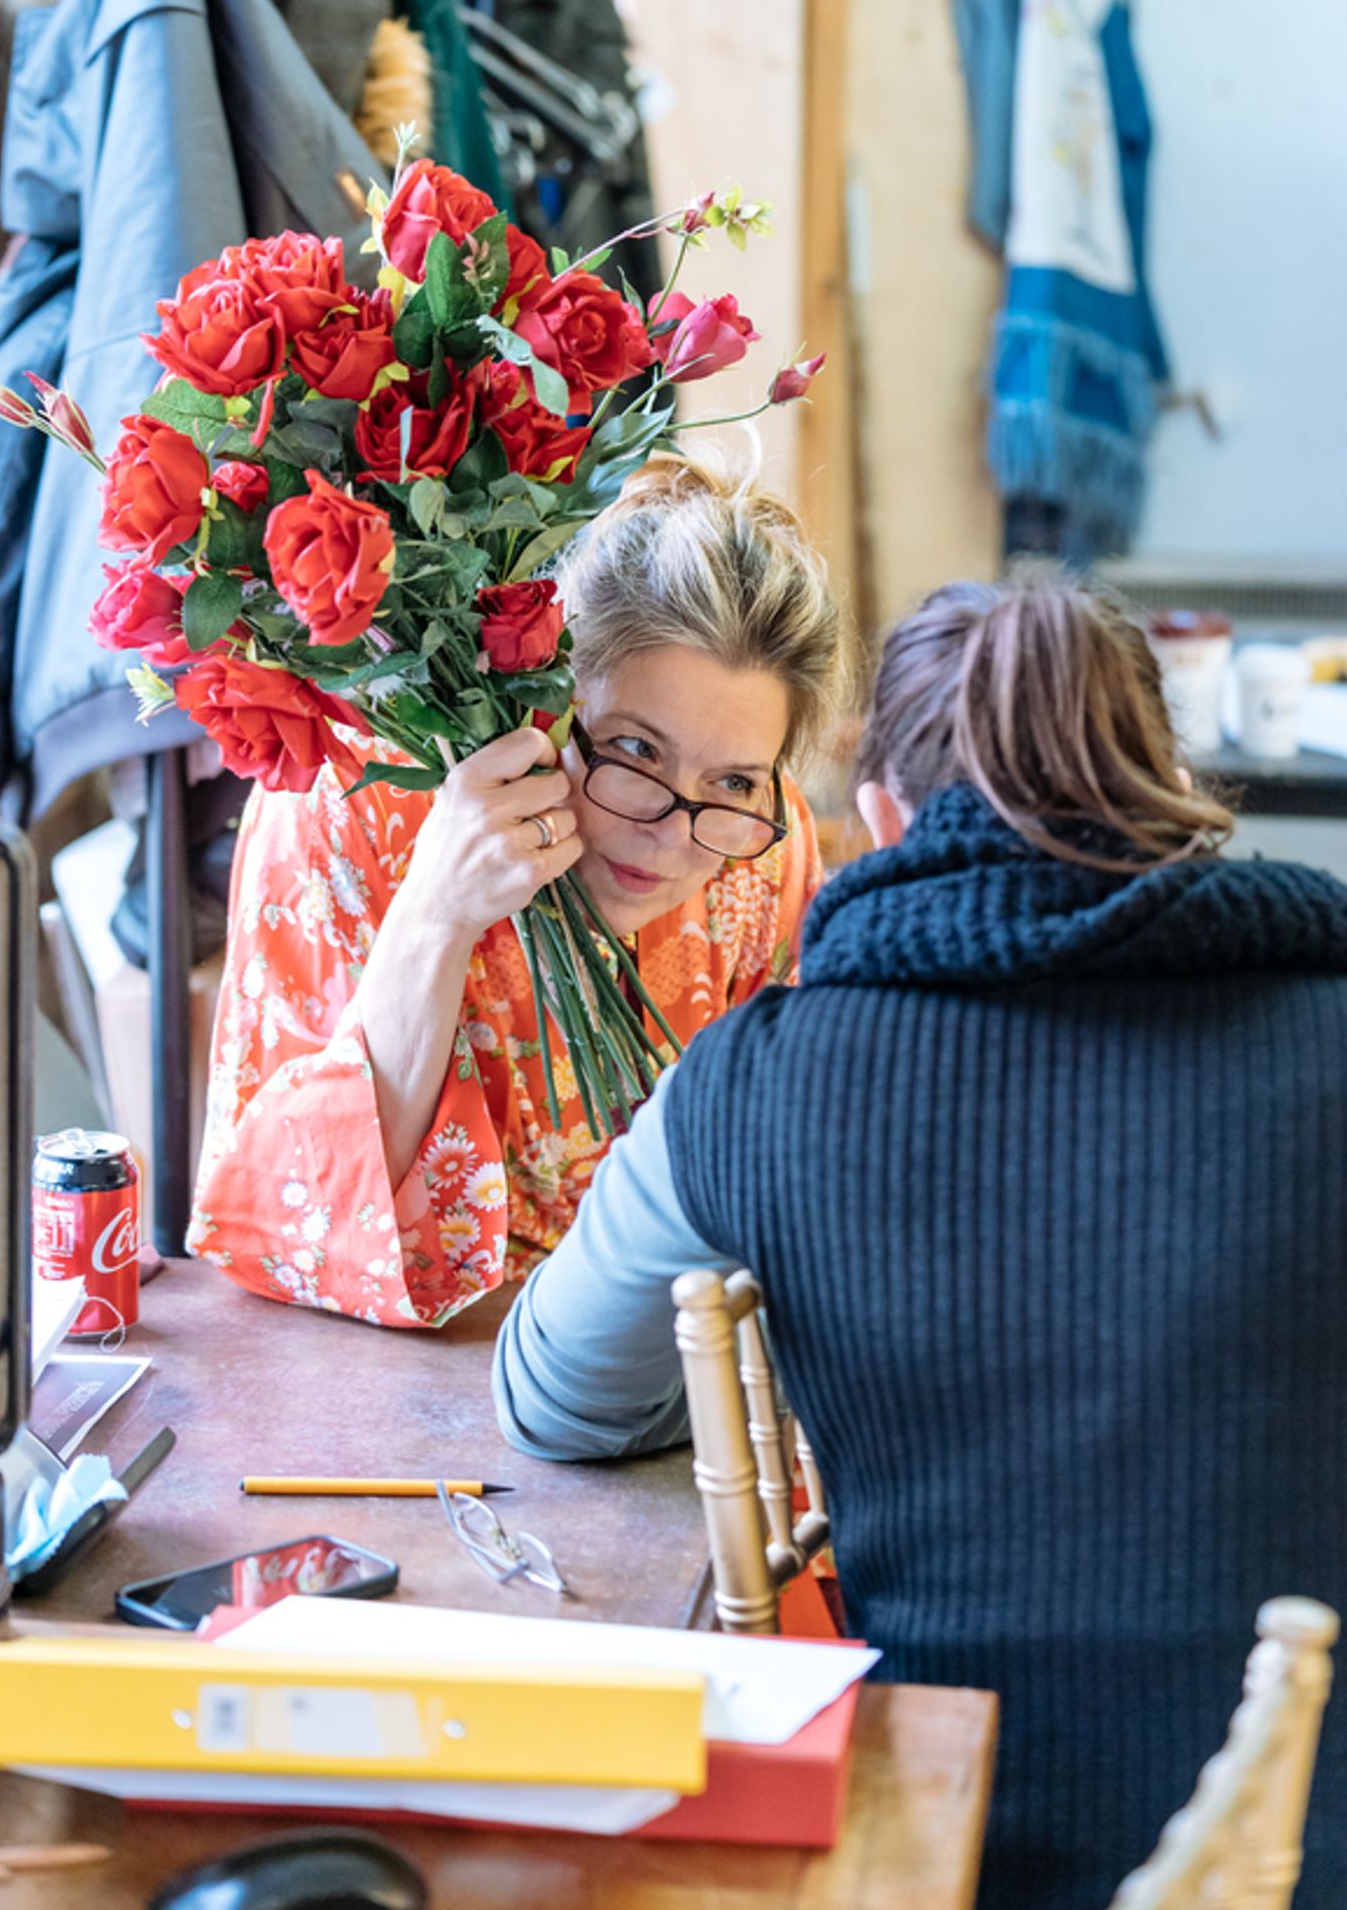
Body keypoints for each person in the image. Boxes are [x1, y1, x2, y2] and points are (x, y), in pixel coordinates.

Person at [493, 568, 1347, 1910]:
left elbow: (556, 1402)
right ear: (1174, 784)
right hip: (1305, 1825)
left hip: (945, 1845)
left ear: (880, 819)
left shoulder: (752, 1086)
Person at [188, 451, 843, 1328]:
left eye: (732, 782)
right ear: (545, 695)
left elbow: (795, 1195)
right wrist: (434, 916)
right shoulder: (355, 800)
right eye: (635, 753)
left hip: (657, 1366)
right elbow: (276, 1222)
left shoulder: (760, 838)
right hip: (380, 1378)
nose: (673, 830)